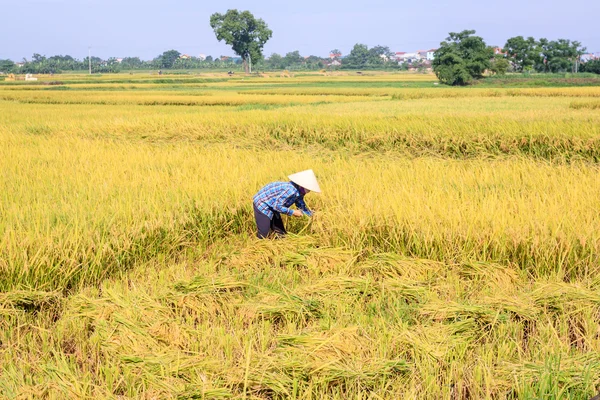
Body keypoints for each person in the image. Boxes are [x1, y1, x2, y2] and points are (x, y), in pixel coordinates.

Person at [253, 169, 321, 239]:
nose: (309, 191)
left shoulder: (300, 193)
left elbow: (301, 207)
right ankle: (257, 246)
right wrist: (293, 212)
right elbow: (276, 206)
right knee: (263, 234)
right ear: (302, 185)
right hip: (263, 203)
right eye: (308, 189)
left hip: (273, 205)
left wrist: (312, 214)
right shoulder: (290, 190)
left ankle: (279, 246)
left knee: (281, 234)